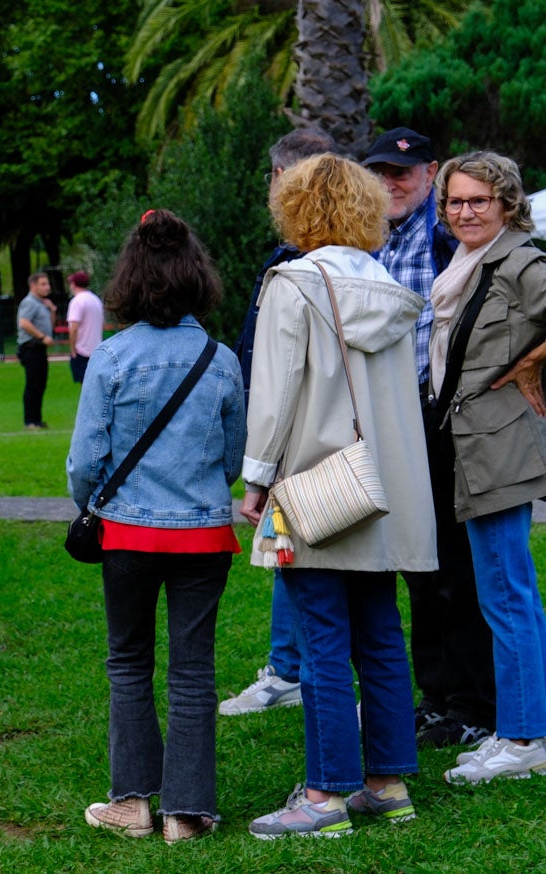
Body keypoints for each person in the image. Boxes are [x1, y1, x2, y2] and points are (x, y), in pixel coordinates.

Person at [242, 154, 435, 838]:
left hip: (314, 485)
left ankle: (323, 797)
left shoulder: (292, 283)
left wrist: (256, 478)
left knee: (321, 639)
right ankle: (384, 784)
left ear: (294, 209)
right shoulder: (388, 285)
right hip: (385, 492)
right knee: (380, 635)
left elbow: (273, 393)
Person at [68, 209, 244, 845]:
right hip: (203, 535)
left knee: (128, 662)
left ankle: (132, 802)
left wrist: (92, 502)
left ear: (130, 280)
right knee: (193, 670)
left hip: (128, 536)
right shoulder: (220, 360)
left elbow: (86, 459)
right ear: (197, 276)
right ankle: (187, 811)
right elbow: (233, 455)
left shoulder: (112, 357)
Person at [362, 126, 495, 749]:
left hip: (440, 418)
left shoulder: (446, 233)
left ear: (430, 175)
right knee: (416, 561)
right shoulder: (373, 240)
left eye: (402, 173)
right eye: (381, 171)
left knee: (452, 563)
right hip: (395, 422)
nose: (391, 182)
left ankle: (473, 703)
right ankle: (437, 696)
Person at [428, 151, 546, 783]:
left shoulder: (521, 259)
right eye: (455, 201)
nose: (466, 211)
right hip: (471, 444)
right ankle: (522, 726)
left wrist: (532, 363)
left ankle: (527, 740)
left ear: (506, 202)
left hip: (500, 445)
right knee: (502, 591)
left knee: (506, 592)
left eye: (479, 200)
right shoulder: (467, 263)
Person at [221, 126, 336, 717]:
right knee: (291, 552)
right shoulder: (314, 261)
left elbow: (277, 371)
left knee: (298, 554)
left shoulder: (300, 268)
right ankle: (291, 667)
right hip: (319, 442)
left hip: (301, 441)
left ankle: (297, 671)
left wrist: (258, 469)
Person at [17, 272, 56, 429]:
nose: (48, 287)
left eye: (47, 284)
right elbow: (24, 323)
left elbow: (50, 325)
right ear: (33, 286)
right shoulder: (29, 303)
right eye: (43, 284)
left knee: (40, 384)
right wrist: (41, 337)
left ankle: (37, 420)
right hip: (31, 348)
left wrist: (52, 310)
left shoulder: (42, 303)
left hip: (40, 349)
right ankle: (30, 421)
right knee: (33, 384)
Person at [65, 270, 103, 384]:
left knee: (85, 385)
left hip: (82, 349)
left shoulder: (77, 301)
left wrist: (72, 349)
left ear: (74, 284)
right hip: (96, 348)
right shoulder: (96, 299)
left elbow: (74, 327)